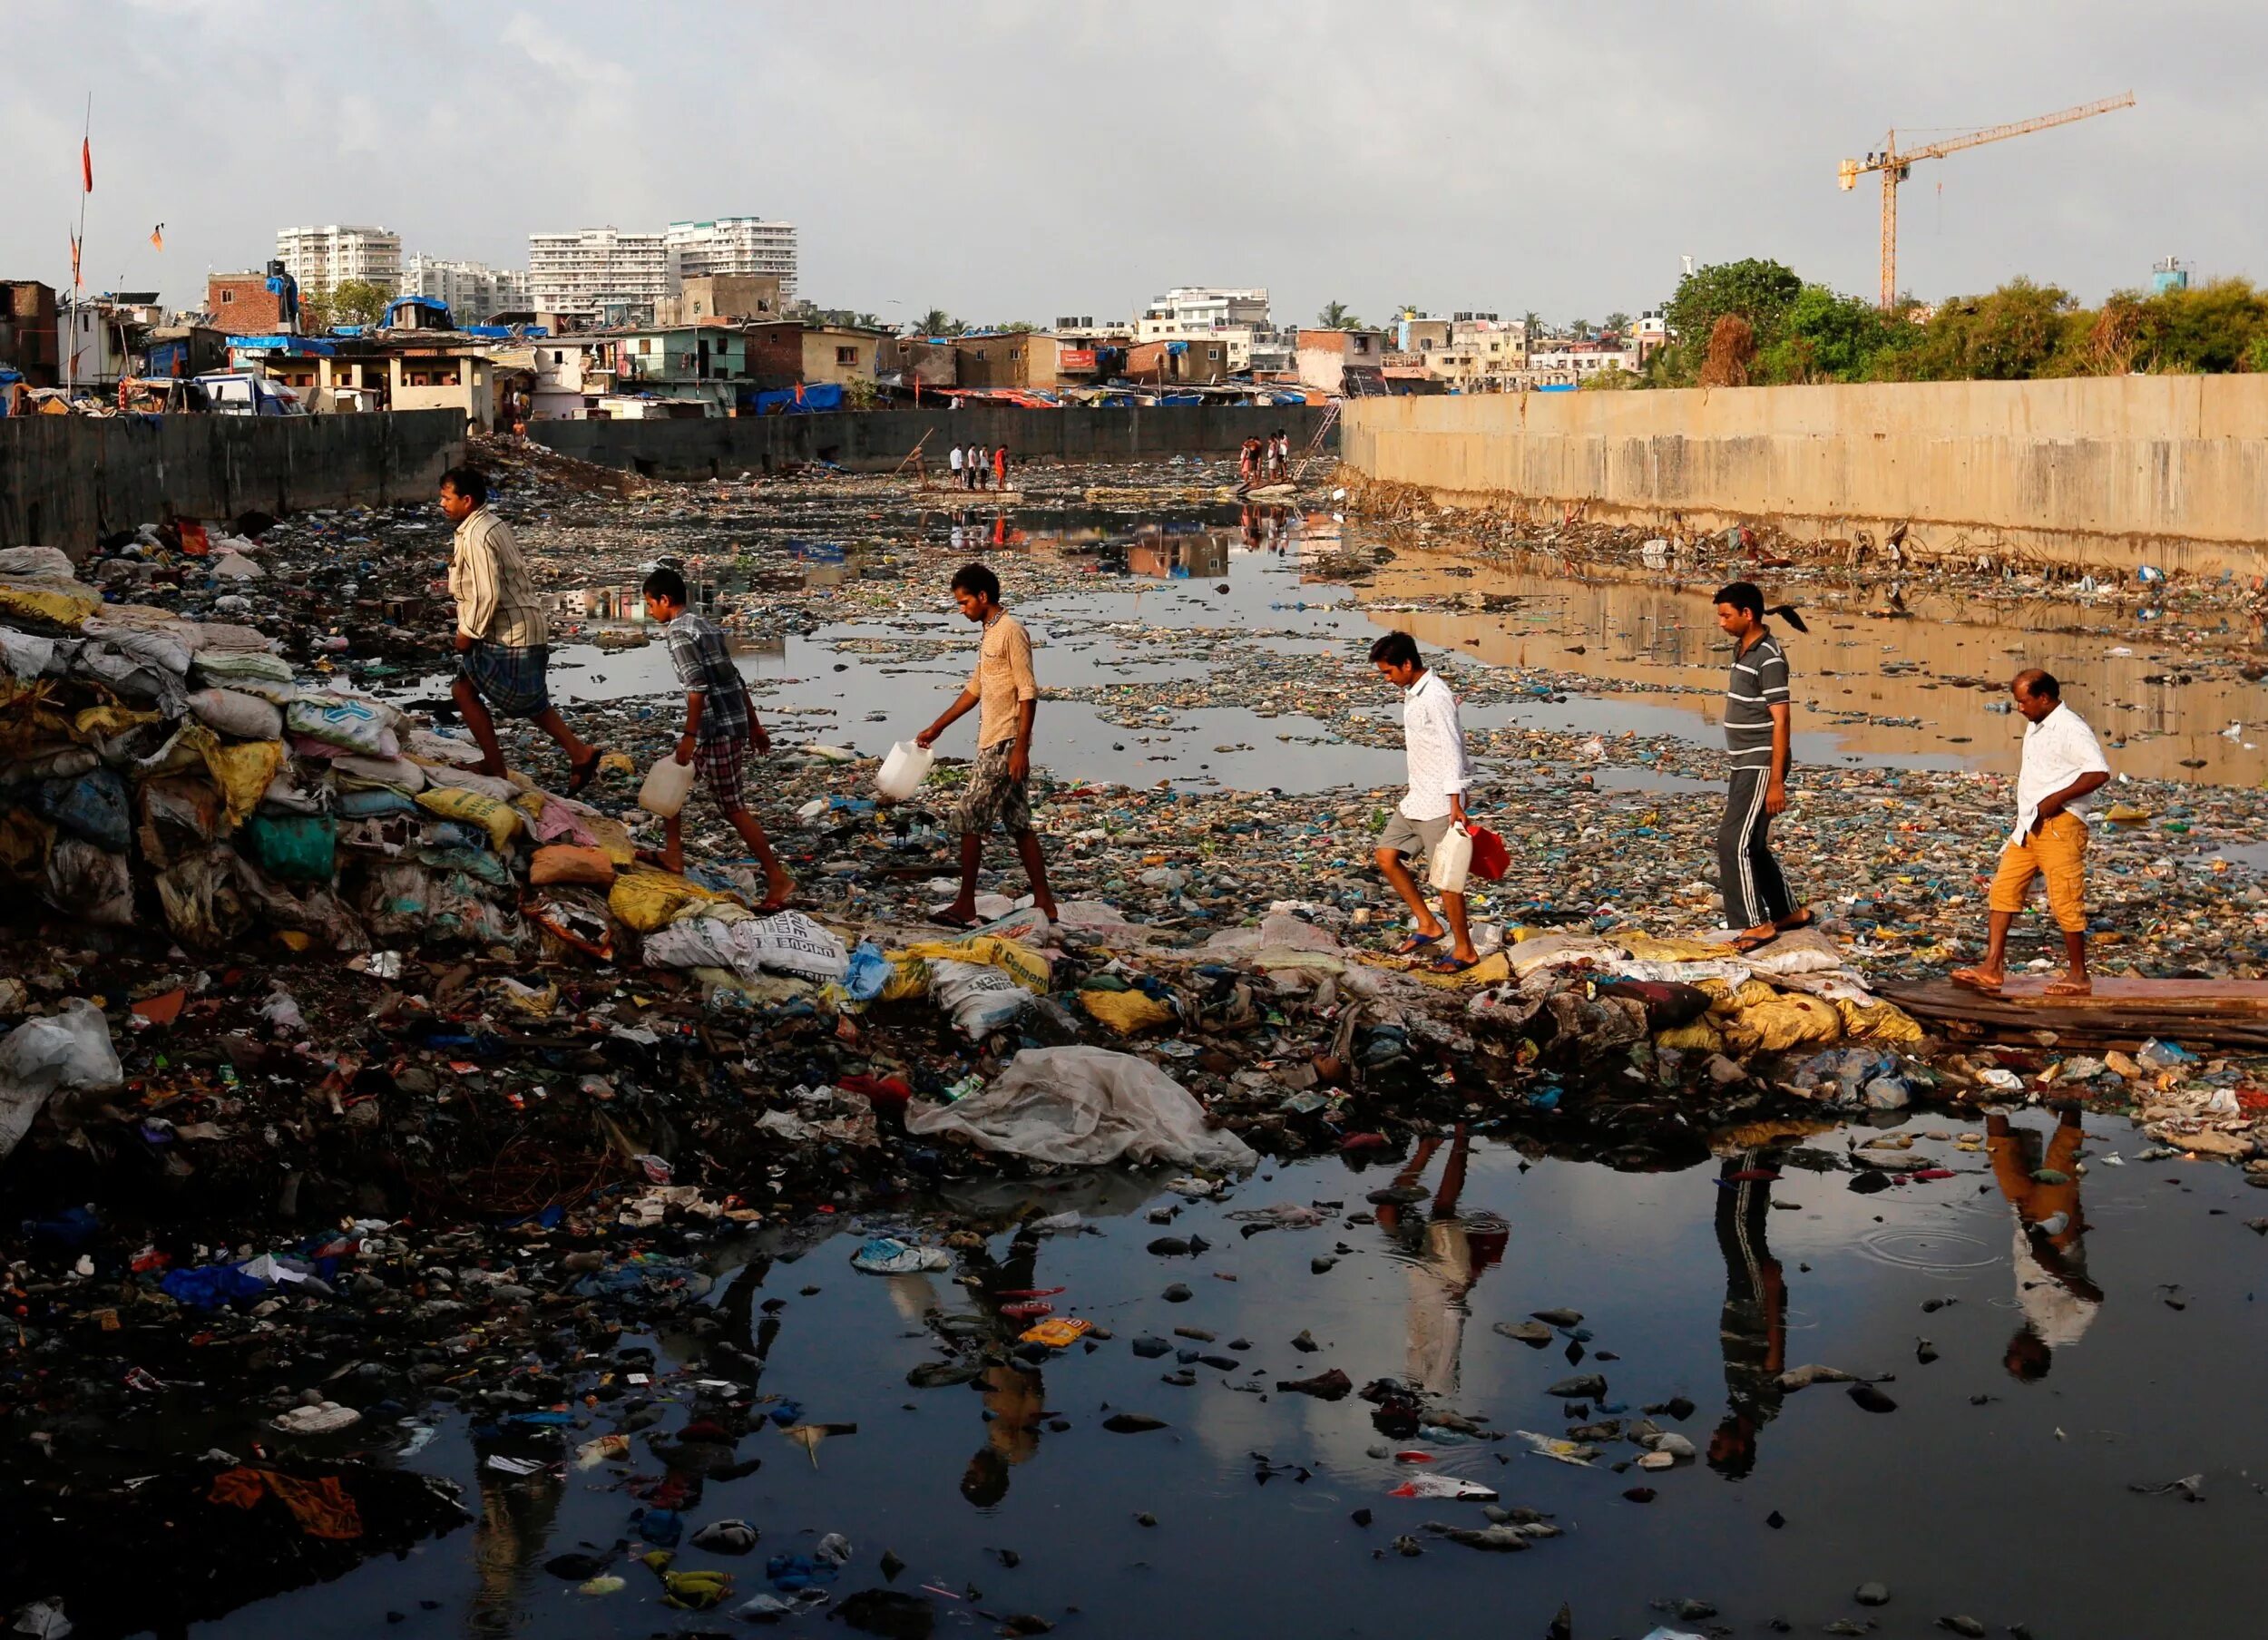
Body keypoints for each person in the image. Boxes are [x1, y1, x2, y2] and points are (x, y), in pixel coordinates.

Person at [640, 565, 794, 910]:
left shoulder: (679, 633)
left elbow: (697, 688)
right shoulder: (703, 625)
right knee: (672, 784)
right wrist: (754, 726)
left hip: (715, 729)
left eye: (651, 604)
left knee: (732, 807)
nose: (651, 612)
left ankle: (778, 878)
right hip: (732, 722)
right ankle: (673, 854)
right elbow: (735, 680)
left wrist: (689, 735)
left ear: (665, 600)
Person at [439, 465, 601, 791]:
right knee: (468, 691)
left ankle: (574, 753)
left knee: (526, 703)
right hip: (508, 628)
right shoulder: (488, 524)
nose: (441, 504)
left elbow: (487, 592)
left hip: (512, 632)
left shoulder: (477, 535)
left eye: (446, 498)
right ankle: (500, 764)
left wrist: (466, 633)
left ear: (467, 500)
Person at [914, 562, 1058, 926]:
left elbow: (1028, 692)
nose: (962, 609)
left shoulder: (1011, 631)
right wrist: (937, 727)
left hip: (1005, 743)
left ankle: (965, 905)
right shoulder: (989, 633)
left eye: (964, 603)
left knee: (967, 818)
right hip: (993, 740)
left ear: (983, 597)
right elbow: (975, 689)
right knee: (1018, 821)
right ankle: (1045, 902)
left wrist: (1020, 749)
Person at [1951, 669, 2110, 995]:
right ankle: (1992, 967)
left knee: (2066, 899)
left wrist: (2057, 798)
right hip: (2028, 825)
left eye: (2024, 701)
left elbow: (2098, 772)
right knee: (2003, 890)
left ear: (2044, 698)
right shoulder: (2036, 725)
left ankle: (2079, 975)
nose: (2019, 708)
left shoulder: (2070, 728)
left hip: (2061, 824)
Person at [1369, 630, 1479, 971]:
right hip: (1418, 796)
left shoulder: (1436, 695)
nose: (1387, 679)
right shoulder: (1413, 693)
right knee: (1386, 856)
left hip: (1440, 803)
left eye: (1389, 672)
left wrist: (1456, 801)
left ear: (1407, 663)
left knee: (1446, 878)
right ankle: (1428, 924)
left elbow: (1451, 745)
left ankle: (1465, 950)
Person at [1713, 581, 1812, 952]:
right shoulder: (1745, 649)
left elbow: (1782, 719)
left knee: (1731, 842)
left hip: (1759, 763)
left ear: (1747, 614)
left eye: (1726, 615)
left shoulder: (1769, 657)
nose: (1721, 622)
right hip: (1746, 761)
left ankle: (1755, 923)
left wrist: (1775, 781)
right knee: (1752, 842)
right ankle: (1788, 911)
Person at [1986, 1106, 2101, 1380]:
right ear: (2035, 1357)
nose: (2012, 1343)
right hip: (2058, 1235)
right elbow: (2094, 1299)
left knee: (2002, 1159)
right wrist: (2050, 1263)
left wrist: (2031, 1242)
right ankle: (2072, 1096)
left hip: (2025, 1222)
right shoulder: (2066, 1332)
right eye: (2016, 1351)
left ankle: (1995, 1096)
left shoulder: (2028, 1315)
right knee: (2061, 1161)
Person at [1707, 1146, 1790, 1479]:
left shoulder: (1740, 1404)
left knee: (1733, 1228)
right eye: (1718, 1446)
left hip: (1741, 1297)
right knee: (1737, 1224)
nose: (1714, 1438)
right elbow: (1774, 1357)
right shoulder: (1763, 1408)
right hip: (1755, 1301)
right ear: (1740, 1447)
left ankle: (1742, 1153)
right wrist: (1771, 1292)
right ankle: (1754, 1150)